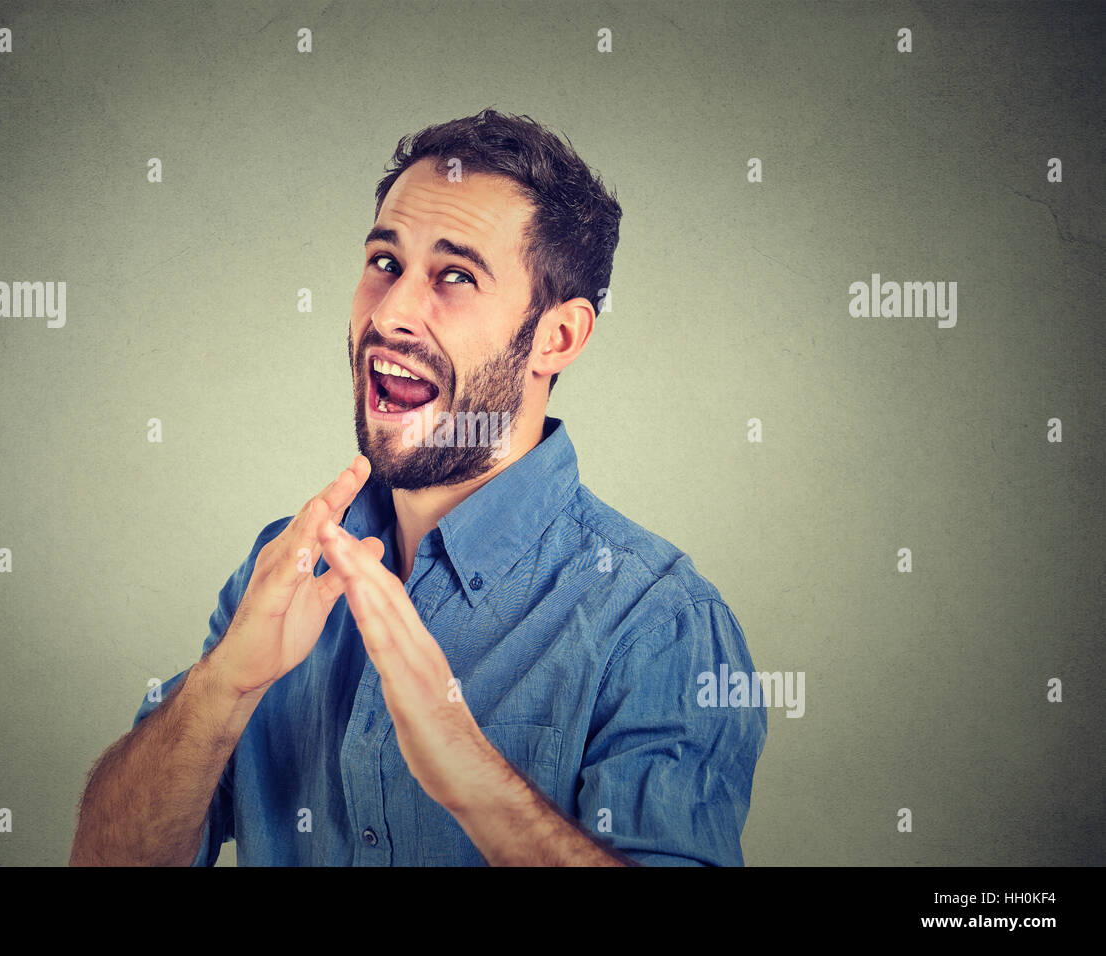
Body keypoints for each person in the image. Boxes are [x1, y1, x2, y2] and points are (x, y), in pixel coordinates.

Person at [70, 109, 765, 866]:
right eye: (385, 263)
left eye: (455, 277)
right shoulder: (281, 568)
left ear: (557, 337)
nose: (392, 312)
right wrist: (223, 690)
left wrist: (470, 773)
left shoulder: (657, 622)